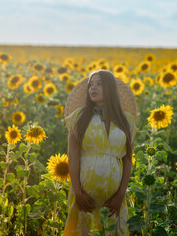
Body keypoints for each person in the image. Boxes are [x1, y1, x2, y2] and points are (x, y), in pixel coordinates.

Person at [63, 70, 136, 235]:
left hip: (113, 202)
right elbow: (72, 156)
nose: (92, 89)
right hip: (86, 200)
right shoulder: (79, 117)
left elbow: (127, 159)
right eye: (91, 85)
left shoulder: (126, 120)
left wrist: (120, 195)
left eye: (99, 84)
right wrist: (78, 193)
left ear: (110, 89)